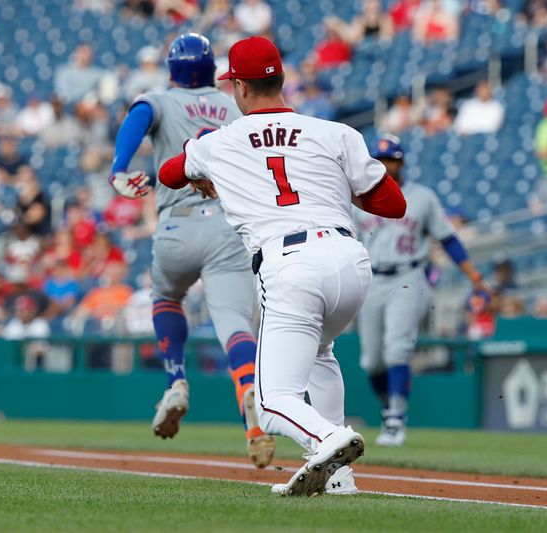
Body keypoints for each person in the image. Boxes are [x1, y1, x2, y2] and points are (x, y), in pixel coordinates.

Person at [157, 36, 407, 496]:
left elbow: (169, 174)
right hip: (350, 262)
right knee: (320, 354)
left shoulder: (220, 143)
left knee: (272, 403)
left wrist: (207, 168)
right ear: (282, 80)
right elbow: (393, 203)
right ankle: (339, 477)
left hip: (291, 264)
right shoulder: (336, 133)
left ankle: (327, 439)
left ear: (238, 88)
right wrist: (334, 187)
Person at [109, 33, 274, 468]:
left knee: (166, 297)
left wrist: (118, 169)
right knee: (236, 326)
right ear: (212, 70)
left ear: (172, 70)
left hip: (176, 225)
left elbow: (138, 116)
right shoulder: (231, 104)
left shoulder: (159, 99)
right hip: (227, 226)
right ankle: (250, 404)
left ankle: (176, 380)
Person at [352, 135, 485, 448]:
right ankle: (389, 410)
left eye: (392, 159)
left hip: (408, 276)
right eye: (381, 159)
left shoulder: (421, 197)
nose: (387, 165)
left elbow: (448, 238)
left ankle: (397, 420)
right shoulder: (357, 198)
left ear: (402, 162)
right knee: (371, 361)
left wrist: (472, 273)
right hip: (371, 278)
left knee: (397, 349)